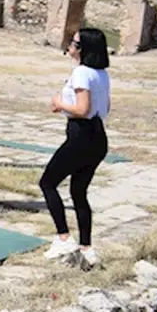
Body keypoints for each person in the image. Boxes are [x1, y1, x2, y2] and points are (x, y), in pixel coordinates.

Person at [39, 28, 112, 268]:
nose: (70, 45)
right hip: (98, 136)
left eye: (74, 42)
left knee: (47, 183)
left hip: (81, 135)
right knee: (79, 192)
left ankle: (63, 237)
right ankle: (86, 247)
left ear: (83, 49)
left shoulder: (81, 73)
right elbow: (104, 108)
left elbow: (82, 109)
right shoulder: (101, 74)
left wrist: (60, 103)